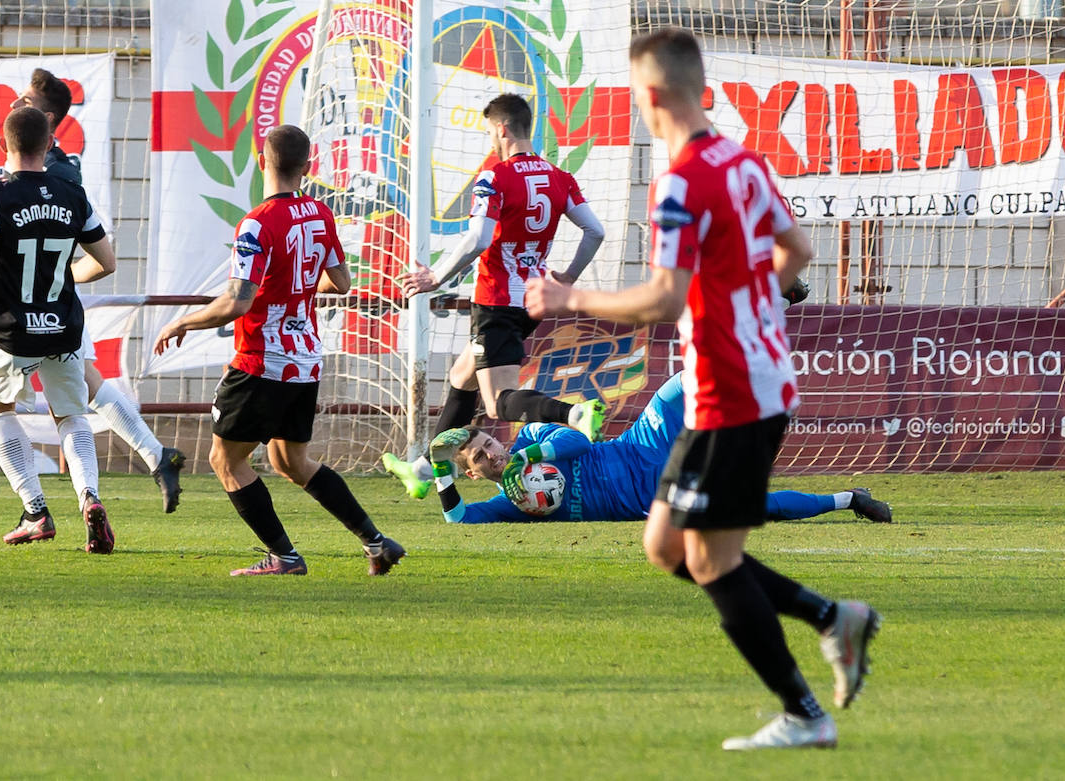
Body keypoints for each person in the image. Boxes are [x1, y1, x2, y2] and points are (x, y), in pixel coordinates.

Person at [526, 29, 880, 750]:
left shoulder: (682, 181)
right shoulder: (743, 162)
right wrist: (741, 302)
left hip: (732, 390)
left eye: (635, 97)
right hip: (752, 380)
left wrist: (570, 299)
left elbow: (663, 298)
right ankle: (830, 617)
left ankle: (805, 712)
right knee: (666, 545)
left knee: (710, 560)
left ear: (652, 95)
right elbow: (798, 252)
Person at [0, 68, 185, 513]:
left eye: (25, 100)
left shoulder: (53, 171)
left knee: (70, 392)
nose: (14, 104)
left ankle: (142, 459)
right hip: (51, 299)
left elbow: (8, 222)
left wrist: (53, 274)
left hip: (42, 297)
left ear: (48, 118)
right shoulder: (50, 171)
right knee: (21, 381)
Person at [153, 124, 406, 577]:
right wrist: (296, 288)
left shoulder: (257, 223)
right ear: (308, 167)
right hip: (304, 359)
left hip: (262, 361)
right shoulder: (320, 214)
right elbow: (341, 282)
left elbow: (237, 302)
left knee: (225, 460)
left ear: (260, 160)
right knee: (290, 460)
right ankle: (377, 543)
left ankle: (285, 558)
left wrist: (181, 321)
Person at [381, 93, 608, 500]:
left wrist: (435, 277)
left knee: (497, 402)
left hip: (497, 300)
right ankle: (422, 470)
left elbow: (479, 238)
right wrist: (569, 276)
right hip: (532, 300)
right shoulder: (560, 177)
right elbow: (595, 231)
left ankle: (574, 413)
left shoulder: (495, 177)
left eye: (489, 131)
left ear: (501, 129)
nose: (490, 139)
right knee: (461, 377)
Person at [427, 373, 892, 525]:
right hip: (657, 498)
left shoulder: (528, 439)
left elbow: (579, 439)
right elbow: (458, 520)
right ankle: (850, 499)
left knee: (678, 383)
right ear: (474, 473)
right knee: (753, 507)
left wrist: (529, 457)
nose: (493, 453)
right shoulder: (509, 505)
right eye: (481, 457)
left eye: (489, 443)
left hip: (639, 449)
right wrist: (440, 468)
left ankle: (760, 339)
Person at [0, 106, 117, 553]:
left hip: (12, 329)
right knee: (71, 415)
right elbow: (106, 262)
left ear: (1, 145)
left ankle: (35, 511)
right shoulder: (72, 194)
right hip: (63, 325)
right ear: (49, 144)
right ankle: (89, 497)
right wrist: (65, 278)